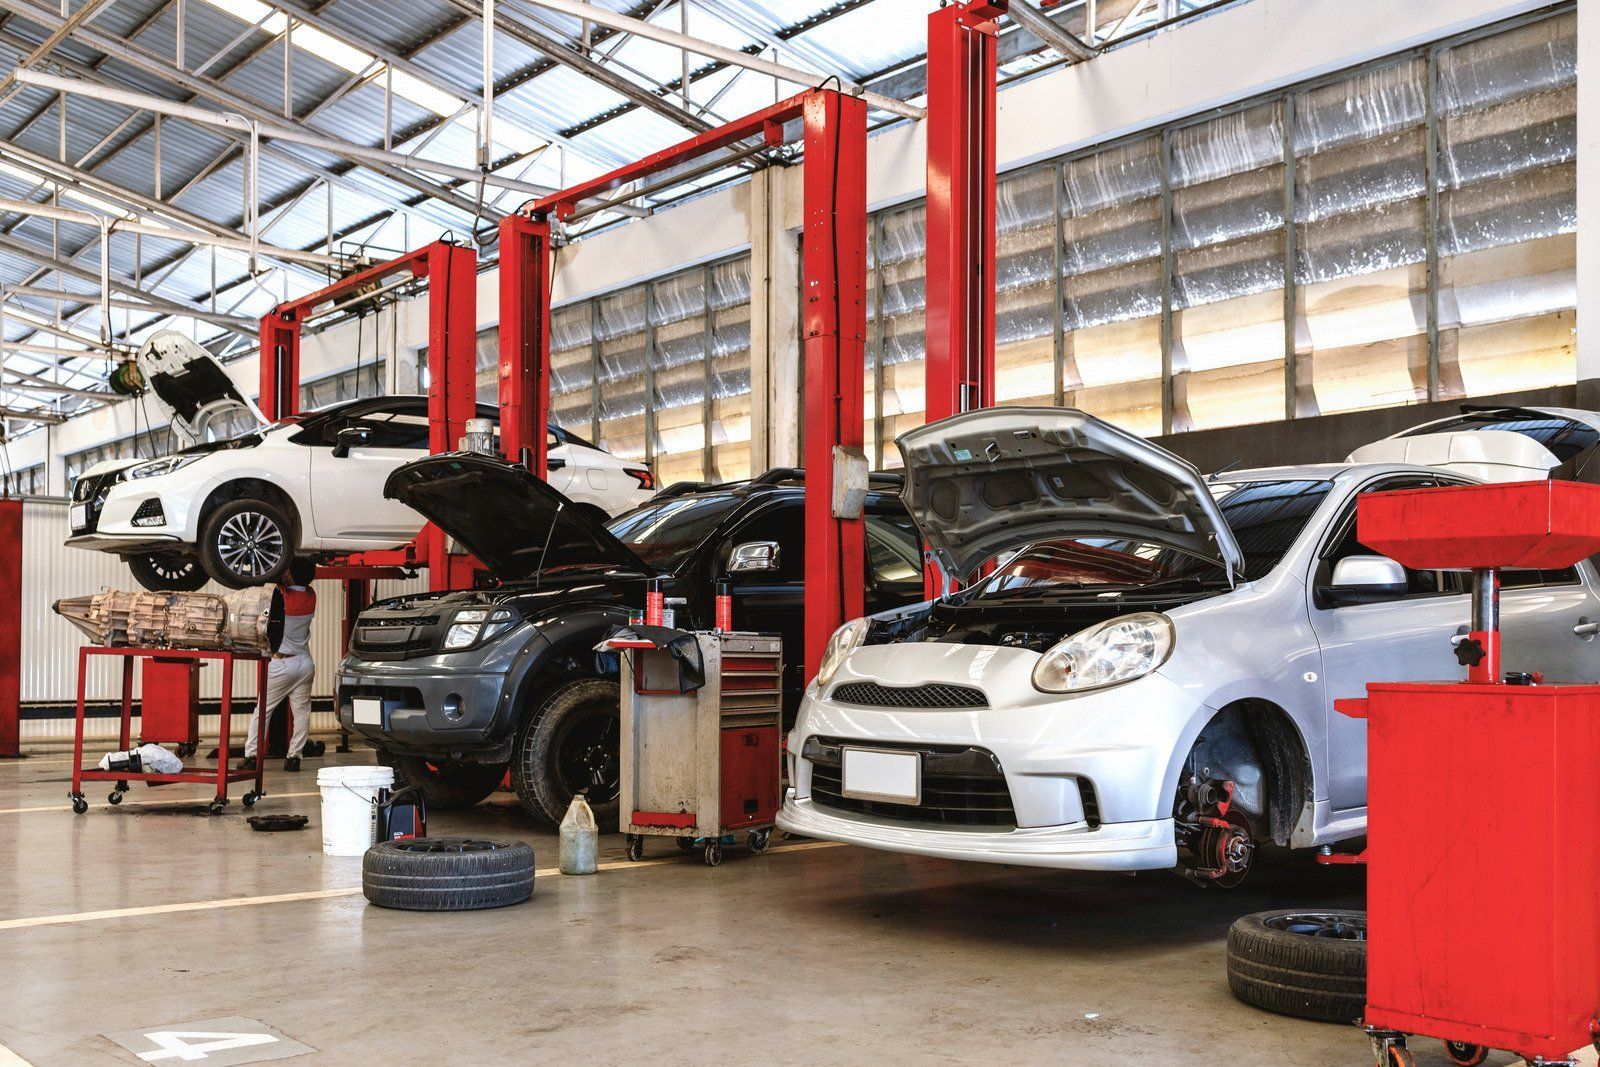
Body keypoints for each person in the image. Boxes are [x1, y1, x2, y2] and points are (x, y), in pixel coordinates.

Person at [240, 559, 318, 772]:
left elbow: (269, 580)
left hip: (282, 663)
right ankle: (294, 757)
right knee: (301, 712)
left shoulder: (281, 596)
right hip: (305, 663)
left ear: (291, 576)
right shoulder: (311, 596)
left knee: (263, 710)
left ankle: (252, 756)